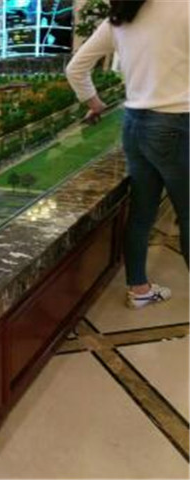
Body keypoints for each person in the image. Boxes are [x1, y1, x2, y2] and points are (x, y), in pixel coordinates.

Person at [66, 0, 189, 309]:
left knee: (141, 212)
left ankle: (139, 289)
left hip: (133, 124)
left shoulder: (120, 15)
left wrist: (94, 103)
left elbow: (75, 69)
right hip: (176, 125)